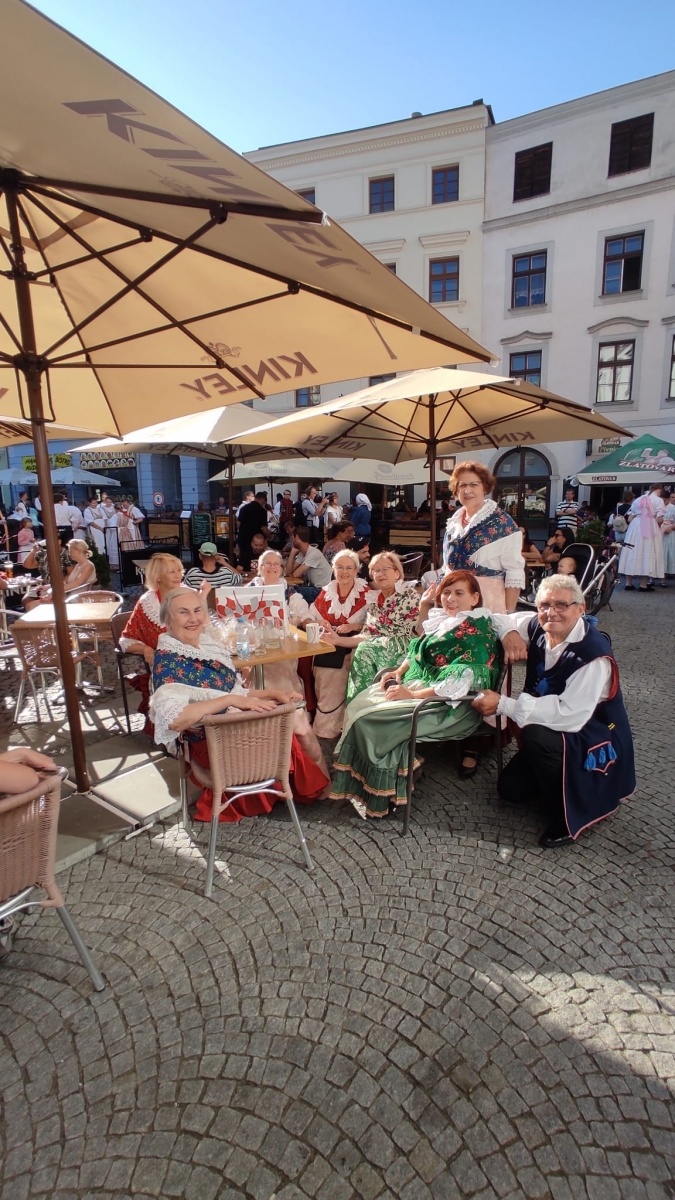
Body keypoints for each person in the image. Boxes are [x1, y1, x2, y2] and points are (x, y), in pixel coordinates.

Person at [473, 573, 635, 848]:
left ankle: (570, 814)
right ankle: (555, 778)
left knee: (536, 735)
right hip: (553, 724)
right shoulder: (539, 625)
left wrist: (503, 704)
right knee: (510, 791)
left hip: (592, 731)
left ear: (580, 608)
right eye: (544, 605)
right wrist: (510, 633)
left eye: (561, 605)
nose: (551, 612)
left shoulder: (592, 655)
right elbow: (496, 618)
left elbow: (569, 715)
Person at [149, 588, 329, 820]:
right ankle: (314, 787)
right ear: (167, 619)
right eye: (183, 612)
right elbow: (175, 719)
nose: (193, 619)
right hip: (215, 743)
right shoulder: (168, 661)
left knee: (295, 712)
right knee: (289, 721)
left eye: (197, 611)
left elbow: (236, 691)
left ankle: (317, 783)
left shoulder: (205, 645)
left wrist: (275, 693)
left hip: (234, 726)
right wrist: (231, 700)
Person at [331, 571, 498, 818]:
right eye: (446, 593)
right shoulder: (444, 621)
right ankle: (402, 768)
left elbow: (457, 684)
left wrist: (410, 694)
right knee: (358, 704)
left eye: (459, 593)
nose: (450, 598)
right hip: (423, 689)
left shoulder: (476, 631)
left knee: (372, 720)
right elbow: (415, 651)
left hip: (450, 706)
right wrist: (398, 672)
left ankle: (386, 794)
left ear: (474, 598)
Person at [442, 462, 524, 613]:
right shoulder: (453, 523)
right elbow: (446, 567)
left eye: (474, 485)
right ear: (456, 490)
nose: (467, 490)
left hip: (487, 606)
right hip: (452, 605)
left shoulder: (503, 524)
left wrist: (507, 614)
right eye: (462, 485)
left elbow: (514, 572)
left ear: (485, 487)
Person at [308, 549, 372, 739]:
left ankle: (337, 727)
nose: (344, 572)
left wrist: (354, 625)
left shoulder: (367, 594)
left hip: (355, 643)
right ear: (333, 569)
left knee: (337, 672)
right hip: (328, 644)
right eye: (340, 567)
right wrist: (320, 622)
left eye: (349, 568)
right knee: (322, 671)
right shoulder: (326, 591)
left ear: (357, 570)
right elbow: (310, 617)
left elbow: (374, 625)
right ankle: (327, 725)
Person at [343, 551, 420, 702]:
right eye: (376, 570)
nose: (380, 573)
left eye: (385, 569)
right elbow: (368, 634)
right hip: (378, 644)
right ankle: (361, 703)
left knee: (365, 649)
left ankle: (363, 702)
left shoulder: (408, 595)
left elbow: (388, 629)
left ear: (397, 573)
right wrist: (336, 640)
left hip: (403, 646)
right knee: (361, 649)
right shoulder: (374, 599)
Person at [619, 485, 665, 591]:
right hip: (650, 526)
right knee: (647, 551)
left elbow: (630, 518)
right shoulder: (658, 501)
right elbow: (660, 520)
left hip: (635, 527)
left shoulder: (637, 500)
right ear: (659, 490)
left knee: (632, 551)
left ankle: (629, 583)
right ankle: (643, 584)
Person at [27, 538, 96, 607]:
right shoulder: (78, 565)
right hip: (68, 596)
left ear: (78, 551)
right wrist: (49, 586)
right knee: (31, 604)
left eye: (71, 551)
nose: (69, 554)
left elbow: (76, 584)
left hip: (74, 600)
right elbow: (66, 581)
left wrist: (55, 590)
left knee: (31, 606)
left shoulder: (88, 566)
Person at [285, 526, 332, 601]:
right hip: (313, 588)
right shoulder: (302, 553)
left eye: (292, 537)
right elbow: (288, 571)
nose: (291, 540)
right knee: (289, 590)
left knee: (289, 592)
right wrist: (292, 553)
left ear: (297, 537)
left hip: (322, 591)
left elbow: (295, 574)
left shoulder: (314, 553)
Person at [237, 492, 270, 570]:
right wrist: (268, 536)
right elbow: (264, 528)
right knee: (257, 560)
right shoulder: (262, 511)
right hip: (257, 540)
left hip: (243, 539)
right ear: (263, 499)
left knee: (243, 560)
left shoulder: (243, 508)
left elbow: (238, 524)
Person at [662, 493, 675, 577]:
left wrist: (671, 527)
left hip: (670, 534)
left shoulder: (673, 508)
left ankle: (666, 574)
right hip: (660, 533)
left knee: (668, 552)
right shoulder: (659, 507)